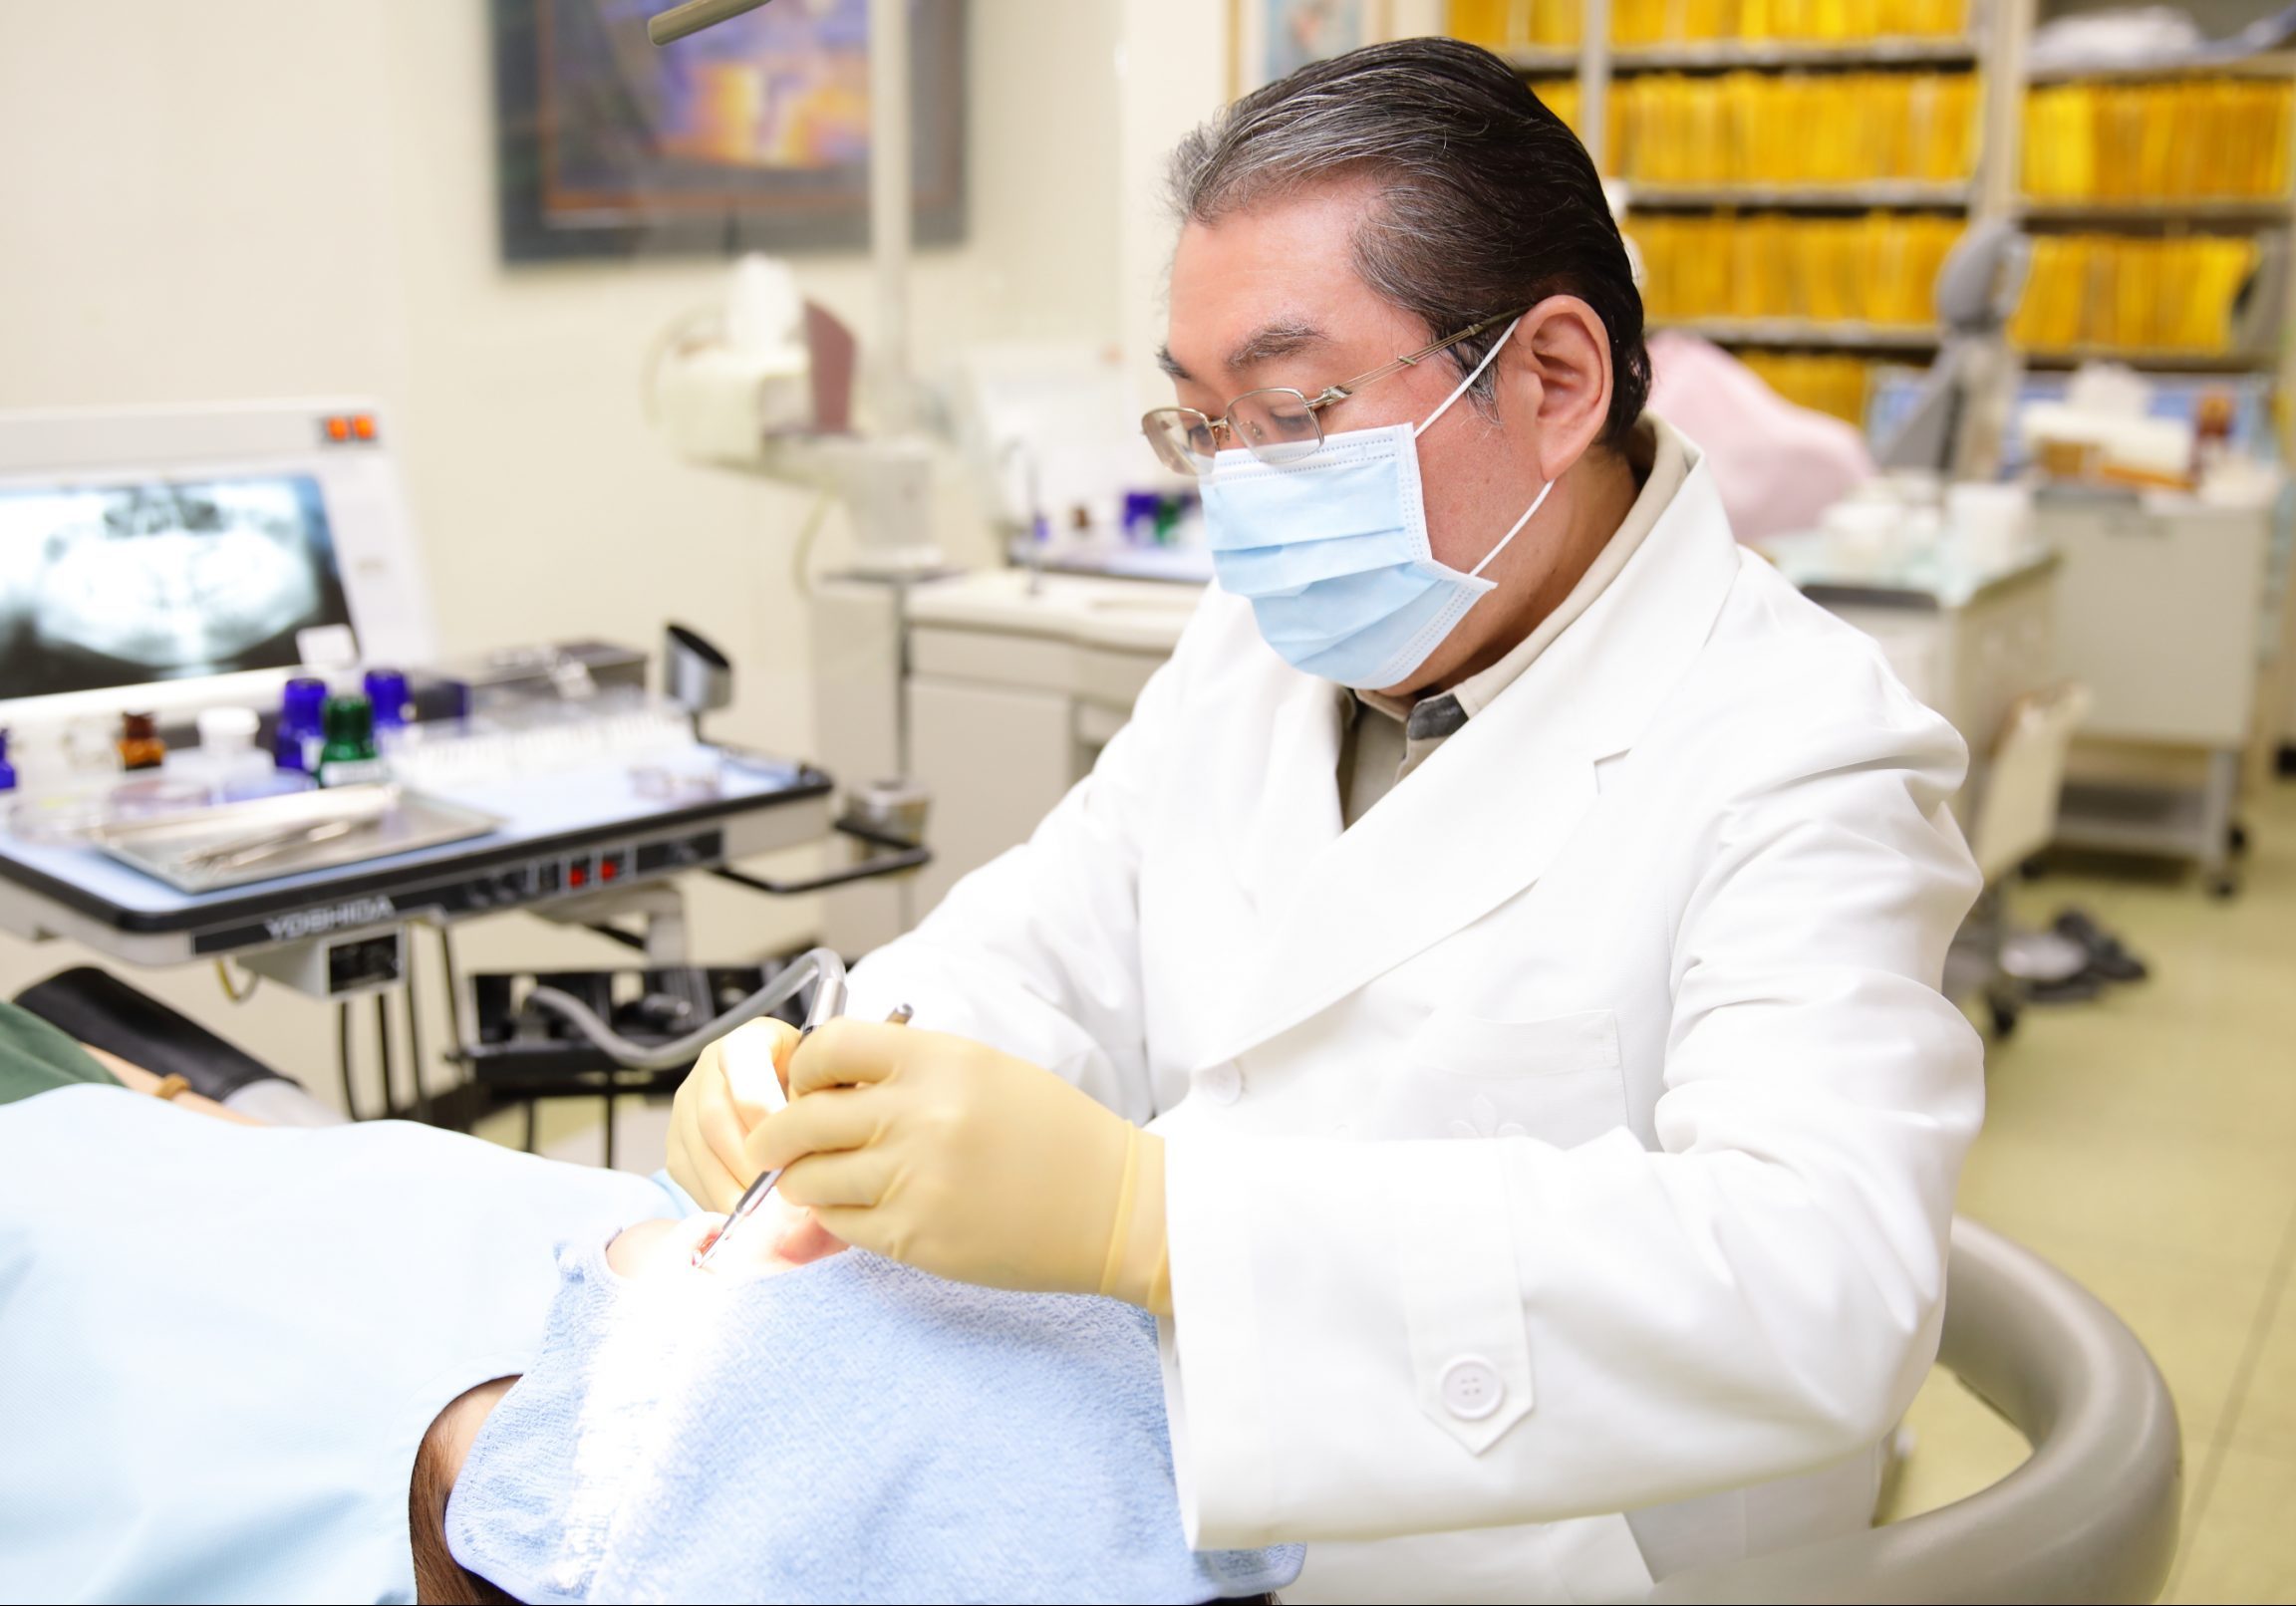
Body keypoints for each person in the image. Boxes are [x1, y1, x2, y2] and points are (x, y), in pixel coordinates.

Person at [670, 36, 1986, 1602]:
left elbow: (1814, 1289)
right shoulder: (1265, 645)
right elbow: (1053, 940)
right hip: (1168, 1479)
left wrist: (1157, 1222)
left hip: (1543, 1565)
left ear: (1555, 380)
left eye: (1293, 412)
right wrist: (832, 1073)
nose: (1242, 493)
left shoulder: (1804, 748)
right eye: (1203, 426)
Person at [0, 1009, 1298, 1605]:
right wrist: (177, 1112)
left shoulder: (525, 1478)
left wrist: (150, 1111)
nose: (818, 1227)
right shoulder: (633, 1267)